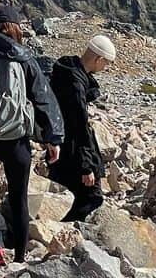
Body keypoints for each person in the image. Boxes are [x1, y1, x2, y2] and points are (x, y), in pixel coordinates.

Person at [0, 4, 64, 267]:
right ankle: (19, 256)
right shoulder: (25, 59)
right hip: (16, 139)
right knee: (18, 197)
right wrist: (53, 138)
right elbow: (44, 99)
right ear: (17, 29)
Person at [49, 34, 116, 221]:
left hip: (59, 143)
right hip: (72, 150)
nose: (106, 68)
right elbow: (79, 126)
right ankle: (66, 230)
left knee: (68, 191)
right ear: (98, 59)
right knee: (91, 196)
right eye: (107, 63)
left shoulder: (65, 70)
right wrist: (87, 167)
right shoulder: (75, 85)